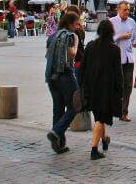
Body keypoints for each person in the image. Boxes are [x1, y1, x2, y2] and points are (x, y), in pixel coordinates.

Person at [80, 19, 123, 160]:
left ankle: (104, 139)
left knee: (100, 116)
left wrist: (82, 85)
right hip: (106, 90)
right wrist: (120, 91)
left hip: (91, 87)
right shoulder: (115, 49)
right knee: (100, 118)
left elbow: (83, 67)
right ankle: (94, 148)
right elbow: (118, 73)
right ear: (111, 32)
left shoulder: (91, 46)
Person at [45, 11, 80, 154]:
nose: (79, 26)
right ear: (70, 23)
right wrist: (76, 41)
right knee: (75, 105)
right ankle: (56, 131)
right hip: (65, 75)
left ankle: (59, 143)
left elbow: (47, 53)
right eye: (77, 23)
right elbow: (72, 53)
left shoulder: (52, 35)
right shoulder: (70, 35)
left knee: (58, 108)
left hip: (51, 77)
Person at [109, 2, 136, 122]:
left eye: (128, 10)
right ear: (118, 9)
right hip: (116, 59)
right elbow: (105, 39)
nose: (127, 12)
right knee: (116, 86)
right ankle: (113, 108)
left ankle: (124, 112)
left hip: (129, 58)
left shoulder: (132, 21)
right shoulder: (112, 22)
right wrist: (119, 36)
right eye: (125, 10)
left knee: (128, 86)